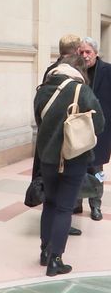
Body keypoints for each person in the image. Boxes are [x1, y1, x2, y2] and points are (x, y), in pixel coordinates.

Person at [33, 55, 104, 276]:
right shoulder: (81, 90)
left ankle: (45, 252)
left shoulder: (42, 89)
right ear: (79, 70)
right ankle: (56, 259)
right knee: (65, 208)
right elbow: (99, 124)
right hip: (74, 158)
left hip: (47, 157)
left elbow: (39, 120)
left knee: (50, 204)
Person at [29, 34, 83, 236]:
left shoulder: (50, 70)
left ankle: (53, 222)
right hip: (65, 137)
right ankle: (61, 223)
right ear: (76, 49)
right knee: (63, 184)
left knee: (51, 184)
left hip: (47, 135)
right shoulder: (70, 71)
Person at [76, 37, 111, 221]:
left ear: (96, 53)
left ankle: (95, 205)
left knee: (96, 169)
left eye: (88, 52)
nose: (84, 55)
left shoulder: (108, 71)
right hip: (78, 130)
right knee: (77, 168)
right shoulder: (74, 72)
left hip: (100, 130)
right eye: (81, 52)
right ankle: (76, 203)